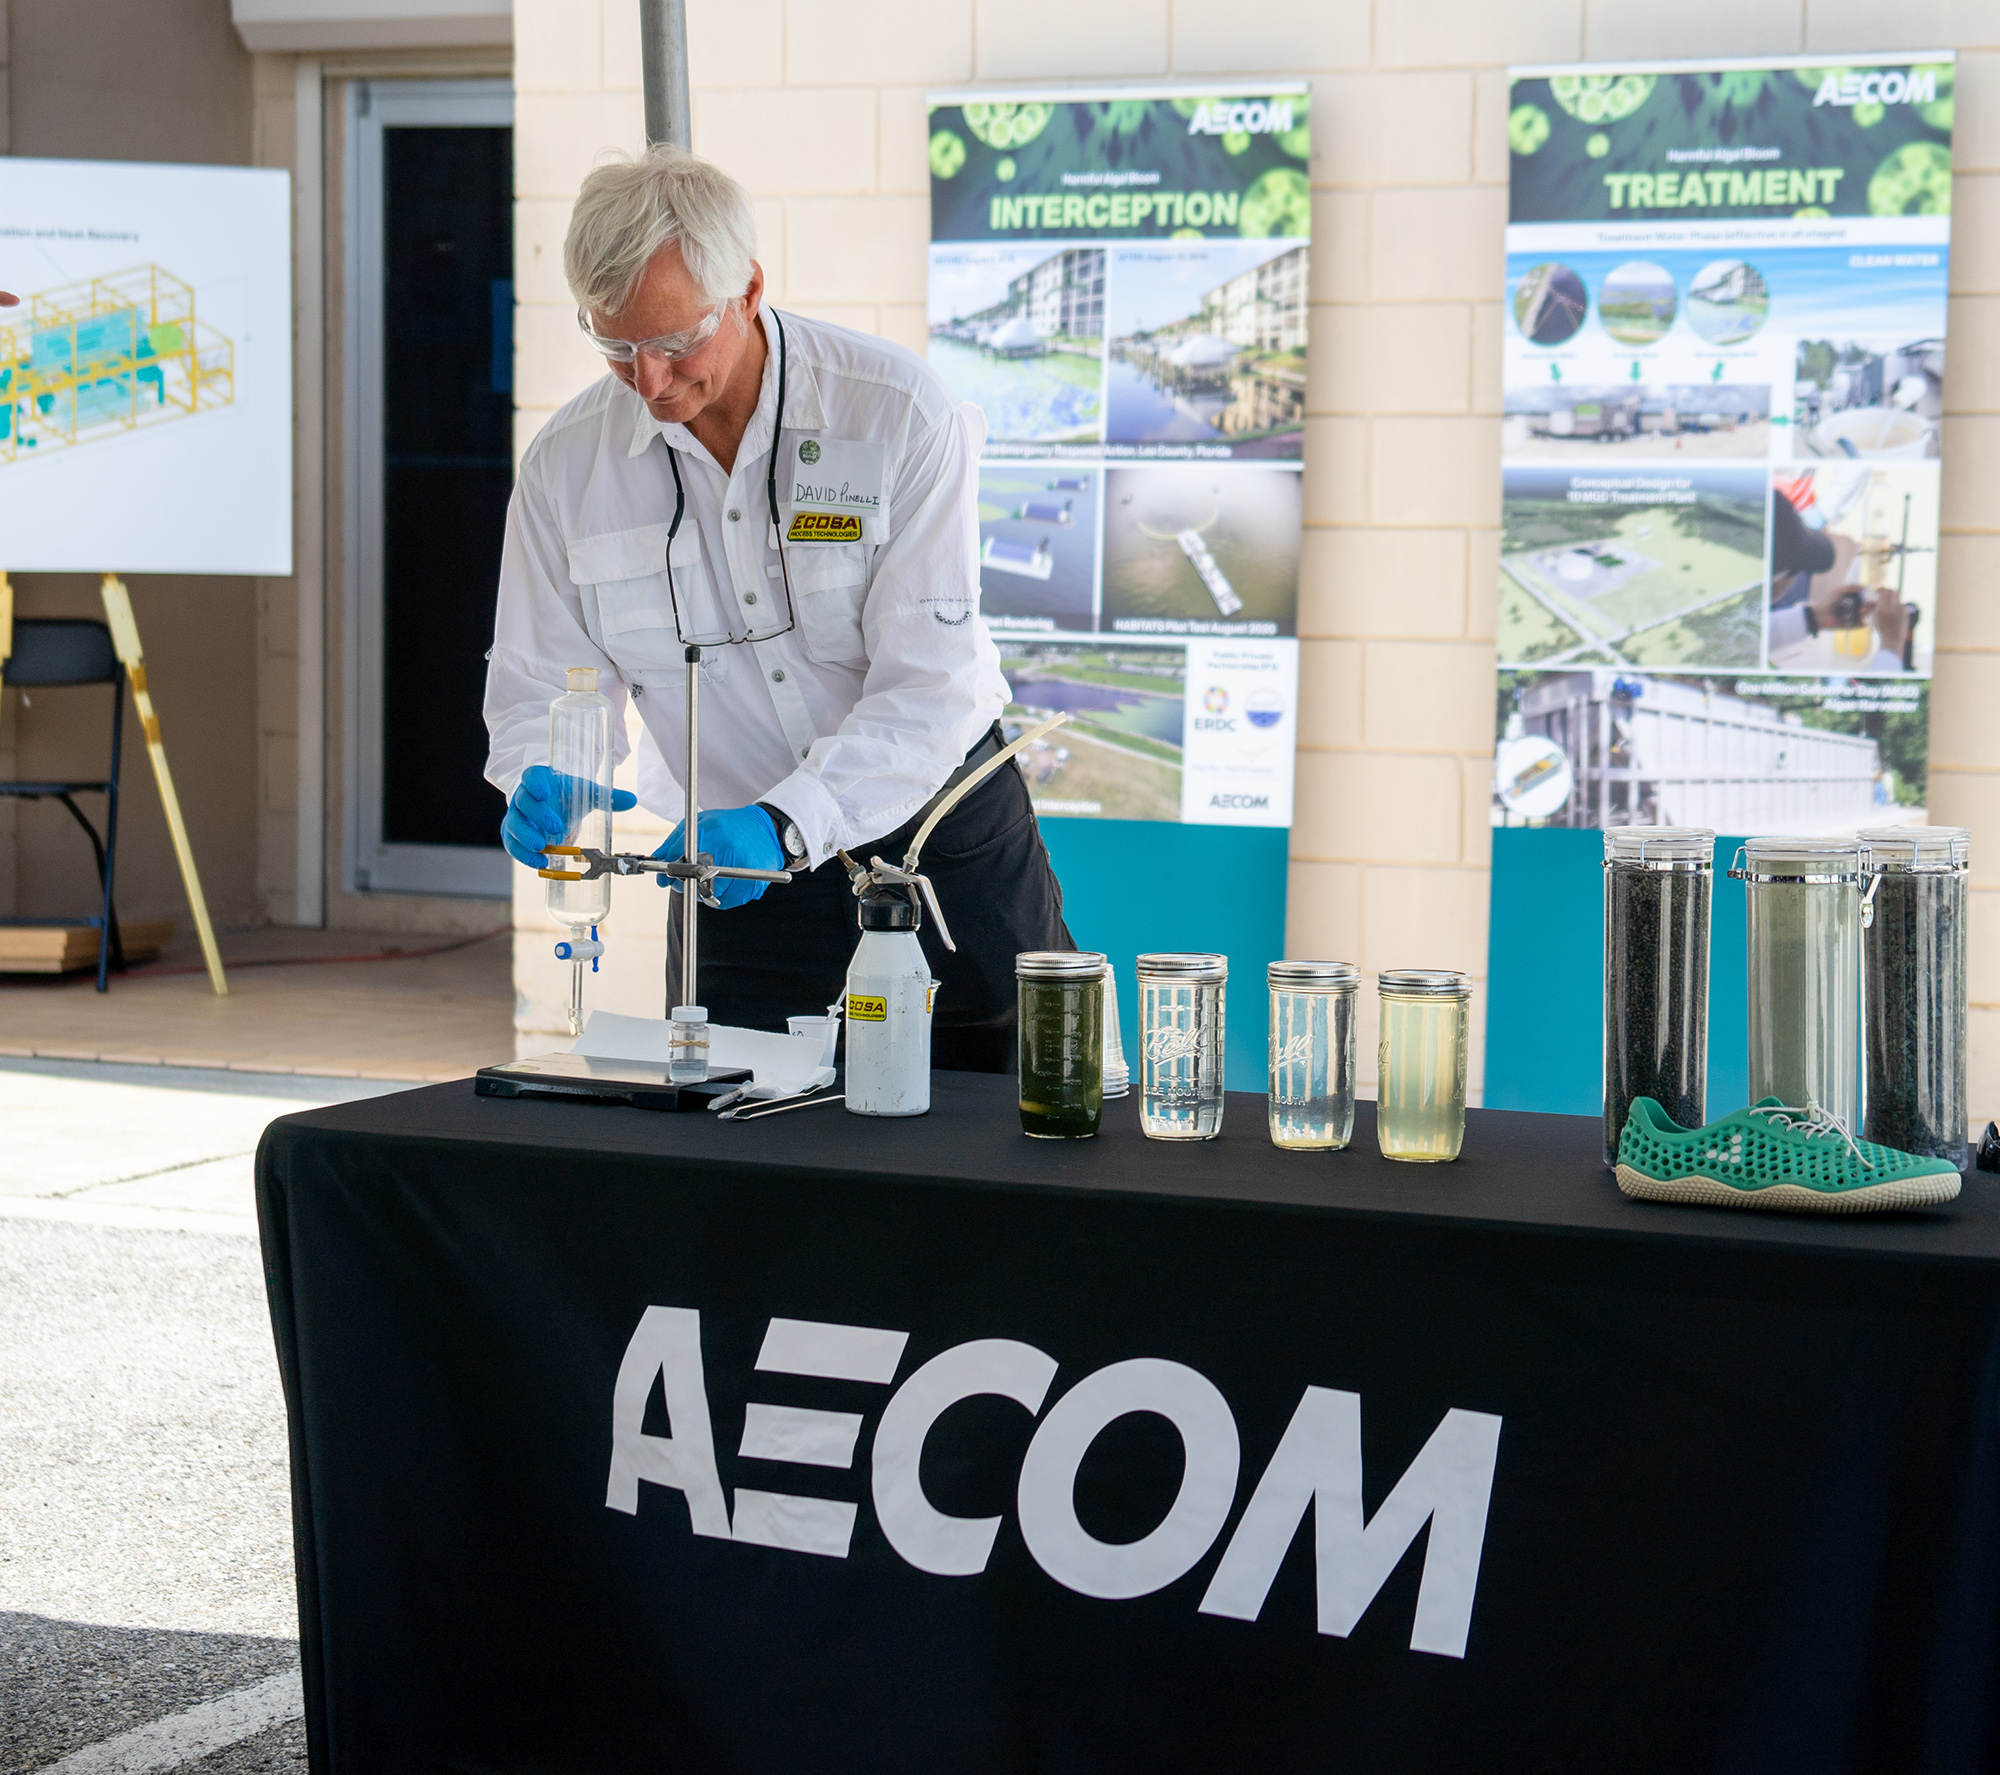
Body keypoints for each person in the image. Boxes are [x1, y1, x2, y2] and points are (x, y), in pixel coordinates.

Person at [483, 148, 1072, 1072]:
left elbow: (931, 684)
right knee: (747, 1157)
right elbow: (538, 677)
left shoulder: (892, 414)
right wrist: (537, 771)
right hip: (733, 878)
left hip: (936, 844)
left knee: (1000, 1137)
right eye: (615, 346)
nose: (649, 382)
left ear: (748, 289)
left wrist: (790, 819)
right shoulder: (568, 468)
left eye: (676, 345)